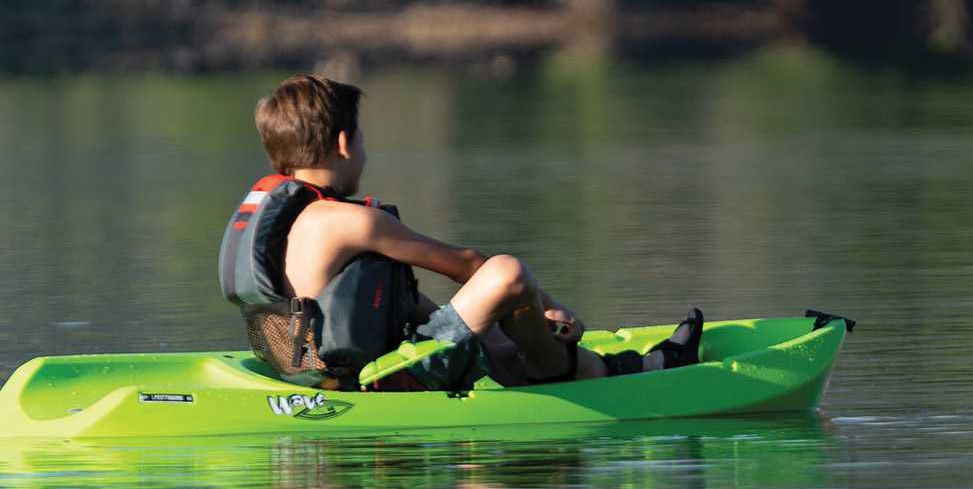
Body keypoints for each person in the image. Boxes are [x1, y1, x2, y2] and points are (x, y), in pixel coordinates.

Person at [220, 73, 695, 391]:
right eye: (361, 138)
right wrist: (551, 305)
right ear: (345, 143)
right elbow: (468, 265)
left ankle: (589, 365)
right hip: (379, 382)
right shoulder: (349, 221)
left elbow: (384, 304)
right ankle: (577, 371)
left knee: (491, 333)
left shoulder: (287, 220)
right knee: (507, 273)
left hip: (314, 376)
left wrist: (492, 336)